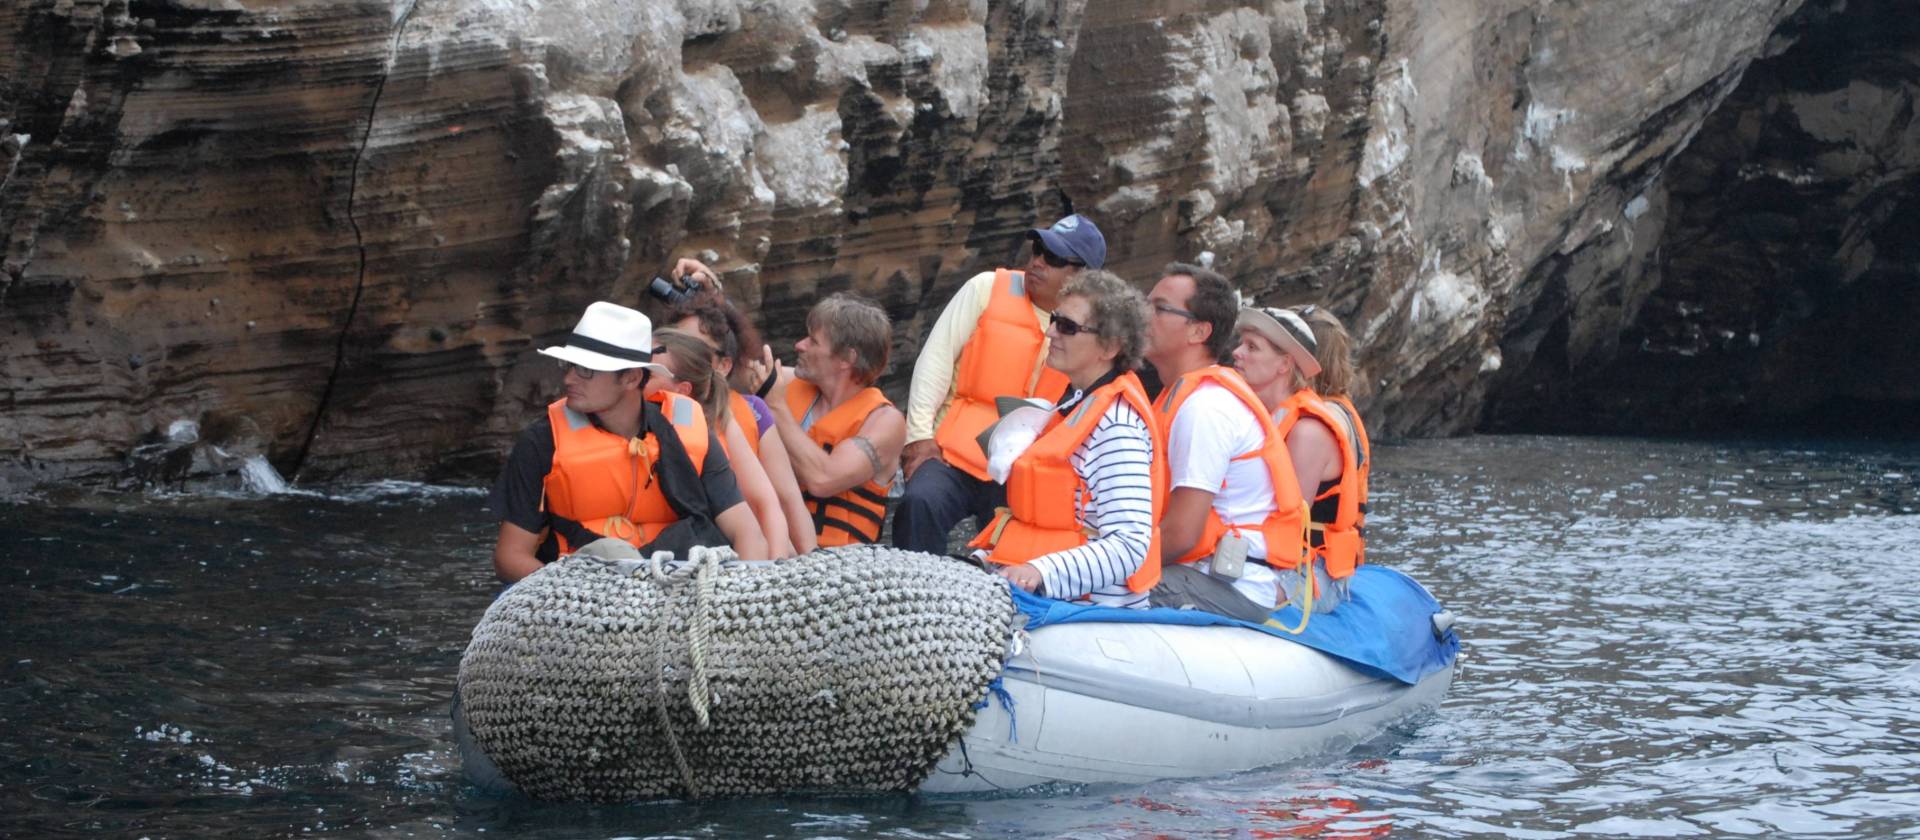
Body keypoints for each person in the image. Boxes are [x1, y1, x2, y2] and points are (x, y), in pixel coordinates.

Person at [489, 302, 769, 583]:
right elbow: (510, 557)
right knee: (610, 550)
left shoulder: (691, 433)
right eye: (571, 365)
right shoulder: (541, 442)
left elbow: (747, 534)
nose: (569, 378)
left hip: (677, 591)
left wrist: (736, 593)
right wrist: (570, 594)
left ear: (631, 377)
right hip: (584, 597)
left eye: (586, 369)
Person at [893, 214, 1108, 555]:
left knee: (1018, 548)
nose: (1037, 261)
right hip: (952, 456)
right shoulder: (985, 288)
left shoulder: (1092, 332)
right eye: (1037, 250)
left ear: (1083, 275)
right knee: (918, 504)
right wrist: (919, 437)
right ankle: (909, 597)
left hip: (1021, 471)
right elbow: (935, 361)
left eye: (1052, 258)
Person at [966, 271, 1163, 608]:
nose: (1050, 332)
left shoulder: (1117, 428)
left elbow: (1130, 545)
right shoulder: (1072, 404)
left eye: (1068, 327)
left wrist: (1038, 571)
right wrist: (987, 559)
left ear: (1110, 346)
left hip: (1089, 613)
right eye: (1055, 320)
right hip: (1049, 599)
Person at [1140, 264, 1311, 623]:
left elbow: (1183, 535)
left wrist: (1100, 568)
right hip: (1207, 573)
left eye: (1159, 308)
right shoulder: (1182, 397)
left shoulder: (1205, 407)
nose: (1142, 315)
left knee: (1087, 586)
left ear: (1199, 331)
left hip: (1231, 585)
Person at [662, 286, 818, 554]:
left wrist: (811, 563)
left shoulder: (749, 412)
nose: (683, 356)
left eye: (696, 349)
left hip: (755, 551)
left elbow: (786, 498)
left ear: (723, 365)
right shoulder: (647, 410)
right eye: (675, 345)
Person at [1233, 305, 1369, 608]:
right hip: (1266, 558)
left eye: (1253, 346)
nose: (1236, 354)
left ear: (1287, 362)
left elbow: (1286, 522)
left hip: (1311, 570)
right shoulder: (1272, 414)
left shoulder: (1311, 428)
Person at [760, 293, 908, 547]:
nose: (799, 345)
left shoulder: (885, 422)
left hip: (839, 566)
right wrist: (710, 298)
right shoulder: (787, 384)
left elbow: (822, 480)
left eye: (813, 341)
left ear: (847, 359)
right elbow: (730, 361)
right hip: (772, 545)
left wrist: (774, 405)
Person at [649, 328, 796, 557]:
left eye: (648, 374)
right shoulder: (628, 421)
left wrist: (774, 571)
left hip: (724, 552)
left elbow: (765, 503)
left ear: (682, 390)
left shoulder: (720, 424)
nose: (635, 377)